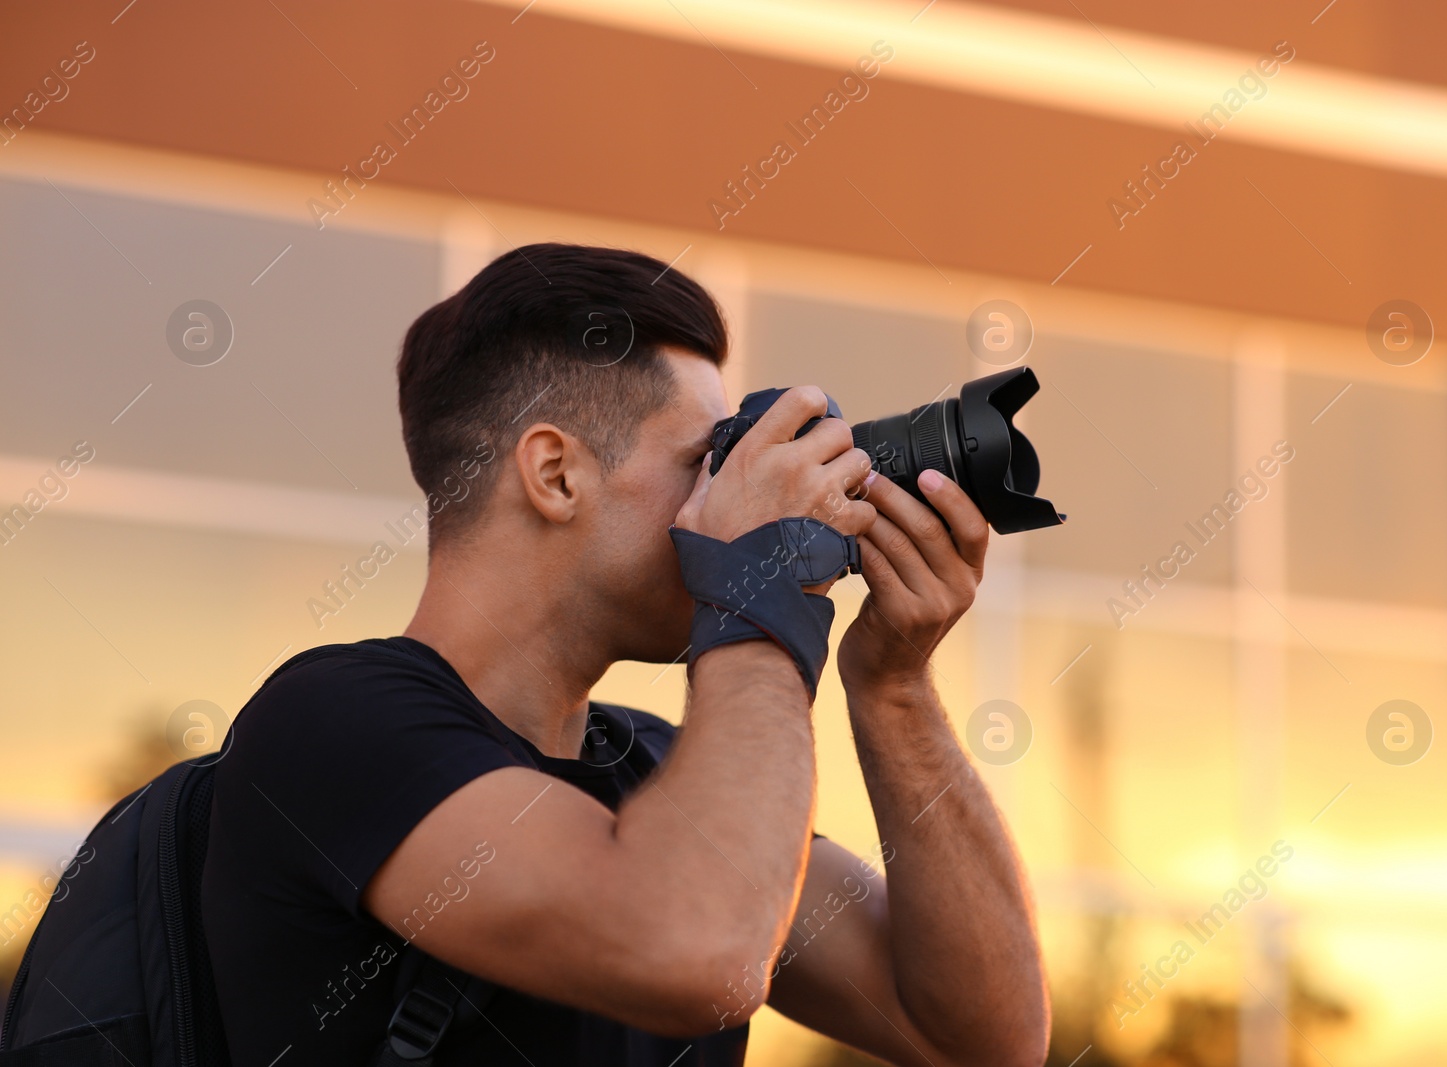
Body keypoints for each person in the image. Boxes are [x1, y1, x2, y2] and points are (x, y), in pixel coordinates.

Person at [201, 243, 1050, 1066]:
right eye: (705, 461)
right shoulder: (335, 720)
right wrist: (756, 587)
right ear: (555, 474)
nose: (729, 498)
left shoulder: (662, 766)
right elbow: (696, 952)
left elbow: (982, 1038)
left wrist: (894, 686)